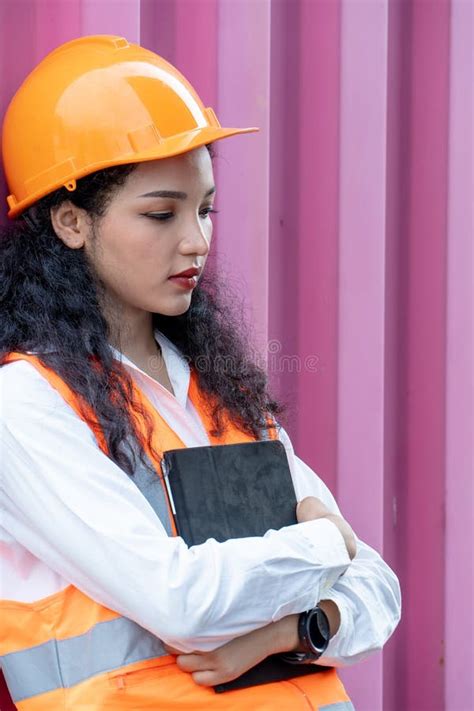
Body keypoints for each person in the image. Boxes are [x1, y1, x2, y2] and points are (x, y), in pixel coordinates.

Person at [0, 35, 401, 710]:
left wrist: (292, 628)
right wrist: (324, 539)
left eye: (205, 208)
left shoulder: (219, 391)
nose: (196, 240)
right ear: (71, 221)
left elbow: (378, 586)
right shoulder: (27, 403)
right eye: (161, 213)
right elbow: (180, 599)